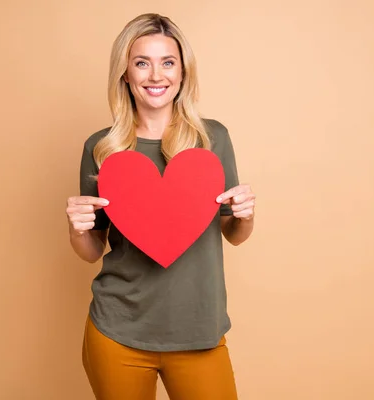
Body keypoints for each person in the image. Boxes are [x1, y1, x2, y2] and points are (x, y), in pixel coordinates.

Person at [65, 13, 256, 400]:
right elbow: (91, 252)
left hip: (198, 330)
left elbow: (234, 235)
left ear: (183, 73)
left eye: (167, 62)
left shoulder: (212, 139)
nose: (156, 75)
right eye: (142, 63)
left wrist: (244, 215)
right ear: (125, 74)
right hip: (118, 332)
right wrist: (77, 228)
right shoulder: (101, 148)